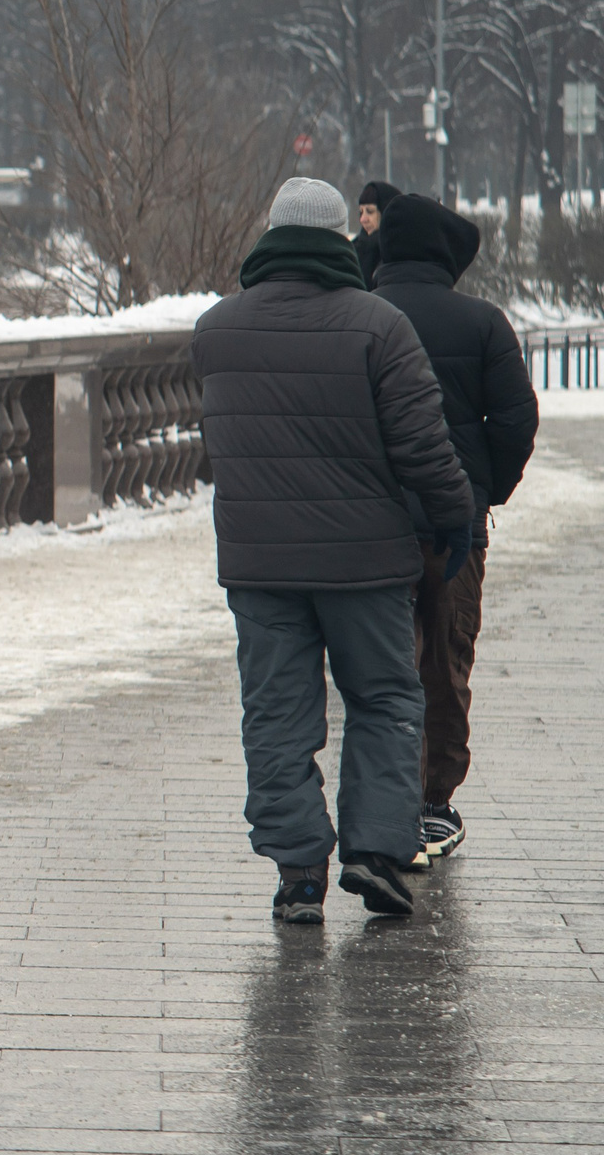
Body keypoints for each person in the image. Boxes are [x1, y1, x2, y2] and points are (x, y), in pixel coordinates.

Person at [192, 176, 473, 923]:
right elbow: (423, 446)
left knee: (276, 714)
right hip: (367, 562)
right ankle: (376, 852)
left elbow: (218, 445)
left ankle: (296, 874)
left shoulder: (218, 328)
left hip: (261, 566)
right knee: (383, 698)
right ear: (345, 236)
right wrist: (455, 520)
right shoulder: (378, 326)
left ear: (271, 233)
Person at [368, 192, 539, 866]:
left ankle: (385, 799)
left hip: (372, 524)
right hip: (454, 529)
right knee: (446, 656)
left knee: (384, 666)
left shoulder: (363, 315)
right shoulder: (482, 322)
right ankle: (435, 802)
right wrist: (482, 489)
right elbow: (517, 421)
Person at [354, 179, 399, 288]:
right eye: (361, 212)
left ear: (386, 212)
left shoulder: (399, 254)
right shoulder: (353, 252)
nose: (363, 219)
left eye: (370, 211)